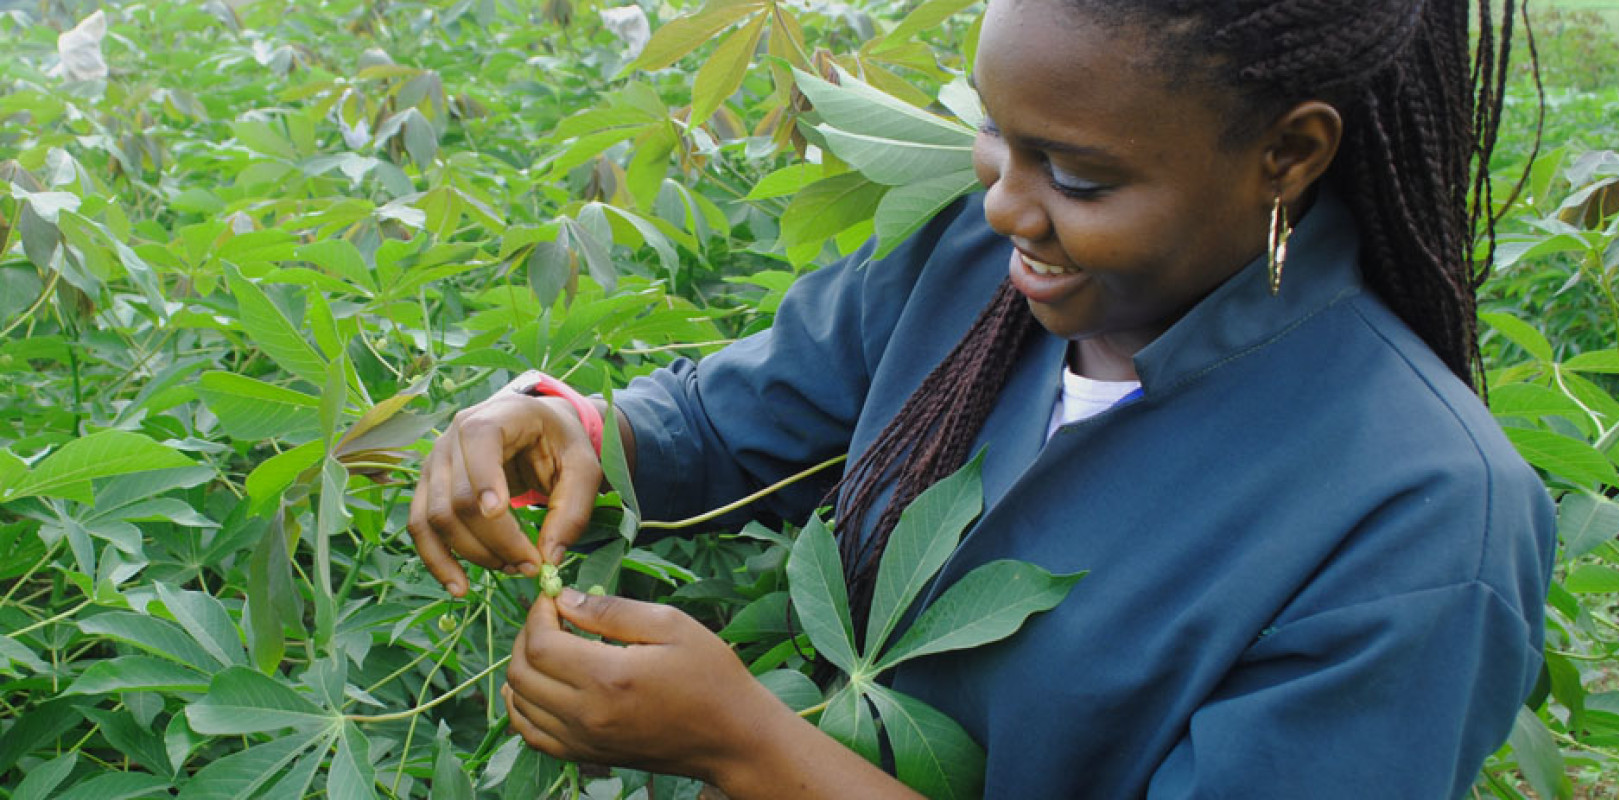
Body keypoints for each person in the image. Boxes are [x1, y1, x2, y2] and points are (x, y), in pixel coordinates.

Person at [407, 0, 1557, 796]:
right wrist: (570, 431)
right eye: (995, 134)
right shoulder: (976, 262)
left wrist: (743, 744)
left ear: (1289, 153)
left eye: (1080, 175)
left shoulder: (1426, 513)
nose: (1005, 204)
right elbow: (718, 424)